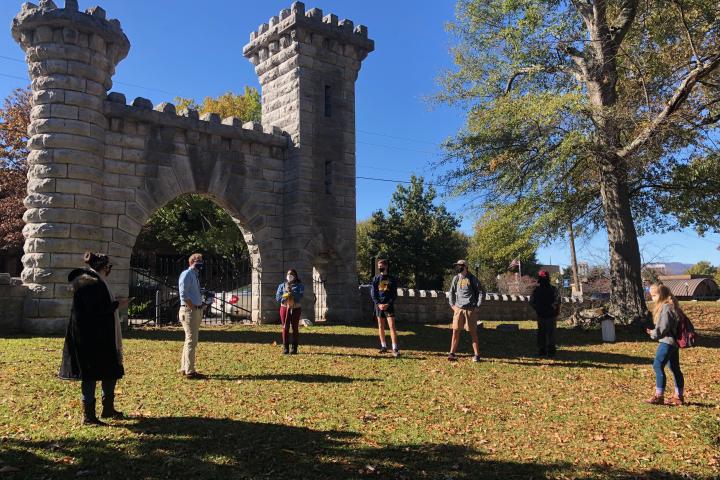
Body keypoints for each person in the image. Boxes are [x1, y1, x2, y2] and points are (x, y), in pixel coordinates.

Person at [59, 252, 129, 425]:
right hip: (89, 337)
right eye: (108, 267)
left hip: (103, 334)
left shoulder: (97, 281)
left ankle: (108, 408)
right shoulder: (88, 282)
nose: (109, 270)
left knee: (110, 369)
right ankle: (89, 415)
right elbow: (94, 310)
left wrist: (114, 304)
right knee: (90, 374)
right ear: (103, 267)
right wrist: (116, 305)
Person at [645, 283, 685, 406]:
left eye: (654, 295)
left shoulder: (666, 307)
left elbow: (663, 328)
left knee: (657, 365)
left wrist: (653, 333)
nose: (653, 298)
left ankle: (659, 396)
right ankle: (678, 396)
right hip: (674, 343)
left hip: (667, 342)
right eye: (651, 295)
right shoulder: (672, 306)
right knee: (675, 369)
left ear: (661, 295)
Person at [447, 260, 483, 362]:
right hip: (458, 309)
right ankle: (452, 353)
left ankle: (477, 355)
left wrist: (477, 306)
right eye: (457, 266)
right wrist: (452, 305)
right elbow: (451, 292)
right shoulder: (456, 278)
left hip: (470, 309)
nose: (458, 268)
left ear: (465, 267)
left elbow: (481, 292)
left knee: (473, 332)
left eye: (460, 266)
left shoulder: (472, 278)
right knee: (455, 331)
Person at [178, 253, 207, 379]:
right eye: (198, 260)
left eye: (201, 260)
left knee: (189, 340)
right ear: (192, 261)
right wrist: (193, 307)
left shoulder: (195, 275)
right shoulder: (187, 274)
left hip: (195, 310)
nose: (200, 262)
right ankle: (190, 371)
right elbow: (183, 294)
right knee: (192, 340)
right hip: (189, 311)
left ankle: (185, 368)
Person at [370, 259, 400, 357]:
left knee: (392, 326)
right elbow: (373, 293)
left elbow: (394, 294)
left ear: (386, 266)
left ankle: (395, 348)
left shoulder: (392, 279)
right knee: (381, 326)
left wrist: (388, 303)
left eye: (381, 266)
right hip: (379, 306)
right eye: (378, 266)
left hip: (388, 306)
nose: (380, 268)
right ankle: (383, 346)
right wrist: (378, 304)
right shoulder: (376, 279)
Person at [529, 270, 560, 357]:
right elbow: (557, 301)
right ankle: (547, 350)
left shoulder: (538, 290)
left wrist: (539, 309)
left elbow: (557, 301)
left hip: (547, 315)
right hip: (545, 315)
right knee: (547, 333)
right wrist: (553, 310)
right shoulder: (541, 290)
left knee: (544, 333)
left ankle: (546, 350)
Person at [275, 269, 305, 354]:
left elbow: (300, 296)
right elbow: (278, 297)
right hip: (284, 308)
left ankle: (294, 348)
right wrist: (285, 295)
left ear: (295, 276)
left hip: (296, 308)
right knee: (285, 327)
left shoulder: (300, 285)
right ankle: (286, 348)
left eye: (292, 274)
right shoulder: (282, 285)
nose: (290, 276)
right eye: (288, 274)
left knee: (295, 327)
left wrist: (292, 293)